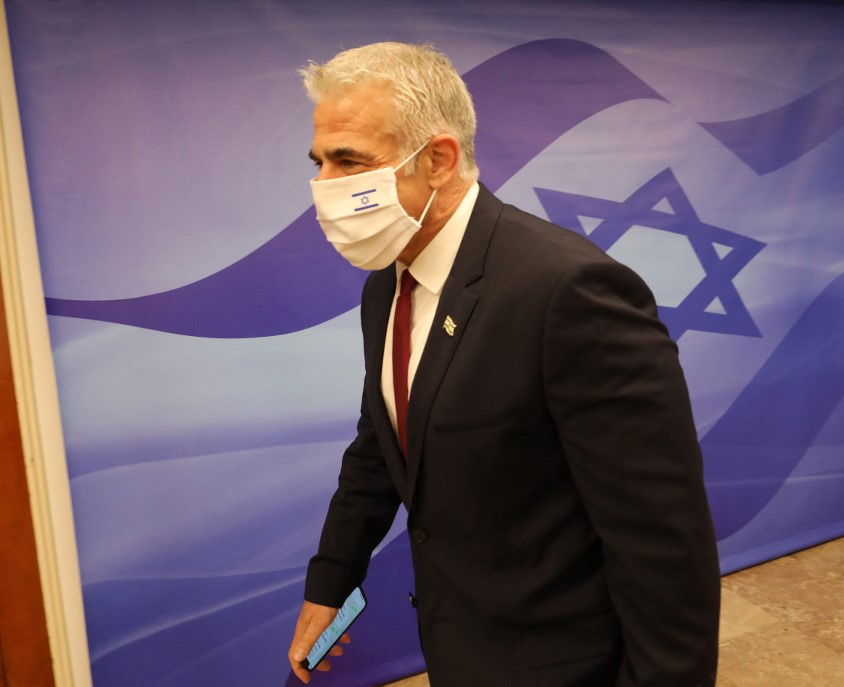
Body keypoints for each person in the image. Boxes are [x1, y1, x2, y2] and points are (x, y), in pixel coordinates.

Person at [288, 42, 720, 687]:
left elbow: (663, 546)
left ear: (438, 159)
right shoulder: (389, 282)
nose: (324, 187)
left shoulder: (569, 292)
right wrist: (331, 582)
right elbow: (382, 443)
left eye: (350, 161)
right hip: (457, 645)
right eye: (320, 162)